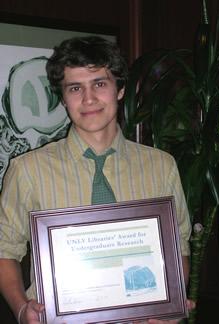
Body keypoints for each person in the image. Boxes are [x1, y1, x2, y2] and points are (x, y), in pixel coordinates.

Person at [0, 36, 193, 324]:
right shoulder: (27, 170)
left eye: (99, 84)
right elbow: (4, 249)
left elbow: (179, 246)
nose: (88, 99)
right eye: (75, 88)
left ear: (120, 89)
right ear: (63, 98)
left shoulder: (161, 166)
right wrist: (20, 308)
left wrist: (168, 305)